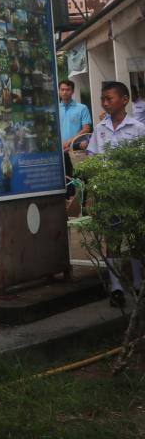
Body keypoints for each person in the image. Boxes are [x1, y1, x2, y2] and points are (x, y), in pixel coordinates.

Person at [86, 81, 145, 307]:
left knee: (136, 239)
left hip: (132, 194)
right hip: (109, 195)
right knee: (113, 240)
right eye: (103, 99)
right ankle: (117, 289)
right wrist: (95, 191)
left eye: (109, 98)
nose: (105, 103)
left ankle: (138, 284)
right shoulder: (100, 129)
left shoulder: (138, 128)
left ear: (124, 100)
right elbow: (93, 159)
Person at [59, 80, 93, 174]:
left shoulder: (82, 108)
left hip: (76, 149)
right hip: (59, 150)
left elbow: (86, 129)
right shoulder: (55, 108)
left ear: (72, 91)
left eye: (68, 90)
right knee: (64, 180)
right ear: (59, 91)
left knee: (80, 178)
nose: (65, 92)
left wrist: (70, 142)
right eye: (62, 89)